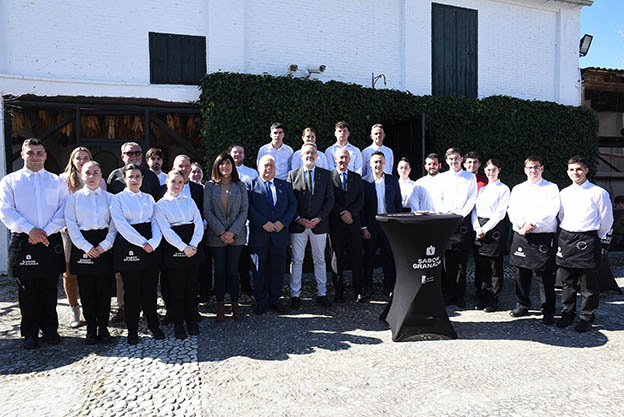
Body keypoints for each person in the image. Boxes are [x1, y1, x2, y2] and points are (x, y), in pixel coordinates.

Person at [0, 138, 69, 349]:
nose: (35, 157)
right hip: (24, 240)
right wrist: (30, 230)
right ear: (22, 155)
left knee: (49, 289)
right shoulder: (10, 181)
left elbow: (64, 210)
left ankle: (50, 330)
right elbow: (5, 209)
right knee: (27, 290)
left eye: (39, 153)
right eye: (31, 153)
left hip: (50, 239)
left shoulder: (56, 181)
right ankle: (29, 333)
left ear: (45, 155)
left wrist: (44, 232)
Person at [555, 156, 613, 332]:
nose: (575, 173)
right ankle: (568, 312)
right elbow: (561, 216)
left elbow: (607, 219)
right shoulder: (563, 193)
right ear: (567, 172)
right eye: (572, 169)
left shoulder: (599, 193)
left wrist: (597, 237)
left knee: (588, 284)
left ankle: (587, 316)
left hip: (588, 240)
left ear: (587, 170)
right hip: (567, 238)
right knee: (567, 282)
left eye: (579, 169)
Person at [107, 142, 161, 323]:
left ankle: (149, 312)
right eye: (129, 153)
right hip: (124, 237)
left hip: (148, 237)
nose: (134, 155)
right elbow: (116, 216)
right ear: (122, 156)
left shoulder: (151, 178)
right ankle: (125, 310)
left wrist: (151, 242)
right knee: (125, 282)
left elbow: (157, 211)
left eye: (138, 152)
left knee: (148, 282)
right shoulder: (114, 177)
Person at [64, 161, 116, 344]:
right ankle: (91, 329)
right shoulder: (73, 199)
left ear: (101, 174)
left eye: (96, 172)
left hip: (104, 245)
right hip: (82, 246)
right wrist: (86, 248)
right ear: (81, 175)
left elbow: (114, 226)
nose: (92, 176)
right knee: (87, 292)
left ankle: (103, 328)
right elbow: (72, 226)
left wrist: (104, 246)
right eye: (88, 173)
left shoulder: (111, 198)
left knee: (104, 290)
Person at [507, 155, 560, 325]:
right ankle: (522, 305)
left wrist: (532, 224)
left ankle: (548, 310)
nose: (533, 170)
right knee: (521, 273)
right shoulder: (517, 188)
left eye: (536, 167)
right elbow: (512, 209)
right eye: (529, 167)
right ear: (525, 169)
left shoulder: (552, 188)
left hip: (543, 236)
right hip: (522, 234)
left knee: (545, 277)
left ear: (542, 168)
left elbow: (552, 210)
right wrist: (522, 224)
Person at [60, 146, 106, 328]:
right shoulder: (63, 180)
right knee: (70, 272)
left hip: (93, 232)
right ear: (72, 161)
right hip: (69, 231)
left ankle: (97, 310)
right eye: (78, 158)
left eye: (85, 157)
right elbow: (58, 205)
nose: (81, 161)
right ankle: (74, 310)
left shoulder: (99, 180)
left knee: (95, 270)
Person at [155, 170, 205, 339]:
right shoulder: (160, 205)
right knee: (176, 289)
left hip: (193, 245)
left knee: (191, 288)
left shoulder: (189, 201)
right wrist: (183, 247)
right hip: (174, 247)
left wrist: (193, 244)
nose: (176, 186)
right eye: (173, 182)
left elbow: (198, 223)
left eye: (180, 183)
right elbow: (166, 230)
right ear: (167, 182)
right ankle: (178, 324)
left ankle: (191, 320)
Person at [288, 143, 335, 309]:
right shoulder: (292, 175)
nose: (309, 156)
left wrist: (319, 218)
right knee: (297, 260)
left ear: (317, 156)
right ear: (301, 156)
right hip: (299, 225)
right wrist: (298, 218)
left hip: (319, 225)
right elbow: (290, 201)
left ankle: (322, 293)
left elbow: (330, 199)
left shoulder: (325, 175)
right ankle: (295, 295)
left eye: (312, 153)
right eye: (306, 153)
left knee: (320, 260)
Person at [248, 155, 297, 314]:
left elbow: (293, 205)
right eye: (265, 165)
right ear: (258, 167)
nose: (268, 168)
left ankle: (275, 299)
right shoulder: (251, 185)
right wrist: (263, 223)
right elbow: (248, 208)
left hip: (279, 234)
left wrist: (282, 223)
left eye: (271, 166)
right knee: (259, 269)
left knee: (278, 269)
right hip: (259, 234)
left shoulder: (285, 185)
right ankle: (261, 300)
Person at [204, 152, 249, 322]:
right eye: (222, 164)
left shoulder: (240, 185)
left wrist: (232, 232)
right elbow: (207, 211)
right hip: (217, 237)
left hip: (236, 236)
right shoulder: (209, 186)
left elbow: (244, 210)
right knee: (220, 271)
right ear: (217, 166)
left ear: (233, 166)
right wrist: (222, 232)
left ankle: (235, 305)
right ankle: (220, 305)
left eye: (228, 163)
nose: (225, 166)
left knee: (233, 271)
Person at [438, 148, 477, 308]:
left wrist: (460, 214)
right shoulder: (441, 178)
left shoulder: (470, 177)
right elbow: (438, 198)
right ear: (446, 161)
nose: (454, 161)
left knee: (461, 263)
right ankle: (447, 294)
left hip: (462, 222)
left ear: (462, 159)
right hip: (446, 222)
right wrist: (446, 214)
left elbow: (472, 198)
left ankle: (459, 295)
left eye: (456, 158)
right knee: (447, 262)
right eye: (451, 159)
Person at [471, 159, 510, 312]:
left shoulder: (504, 189)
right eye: (488, 170)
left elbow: (500, 213)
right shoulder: (481, 190)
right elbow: (474, 211)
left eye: (493, 169)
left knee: (495, 267)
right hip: (479, 228)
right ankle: (483, 297)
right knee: (482, 266)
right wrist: (476, 228)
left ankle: (493, 299)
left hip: (494, 229)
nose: (490, 172)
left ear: (499, 170)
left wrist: (485, 229)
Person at [361, 151, 402, 295]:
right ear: (370, 164)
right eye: (375, 162)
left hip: (388, 225)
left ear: (385, 164)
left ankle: (388, 286)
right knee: (369, 257)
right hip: (371, 225)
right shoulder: (364, 181)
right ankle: (367, 286)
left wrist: (397, 225)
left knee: (388, 257)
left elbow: (398, 204)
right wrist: (363, 227)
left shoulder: (392, 180)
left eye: (381, 162)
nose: (378, 164)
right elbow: (361, 207)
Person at [329, 148, 365, 302]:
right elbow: (329, 198)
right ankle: (338, 291)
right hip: (336, 223)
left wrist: (351, 213)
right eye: (340, 158)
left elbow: (361, 199)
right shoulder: (328, 177)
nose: (343, 160)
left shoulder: (356, 178)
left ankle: (359, 290)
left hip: (353, 223)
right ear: (335, 159)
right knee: (337, 257)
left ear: (349, 160)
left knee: (356, 256)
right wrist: (342, 213)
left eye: (345, 158)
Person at [229, 143, 258, 298]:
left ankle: (247, 287)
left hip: (248, 220)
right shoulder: (225, 172)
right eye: (235, 152)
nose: (238, 155)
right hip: (230, 221)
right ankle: (231, 288)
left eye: (241, 152)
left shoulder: (252, 173)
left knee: (246, 257)